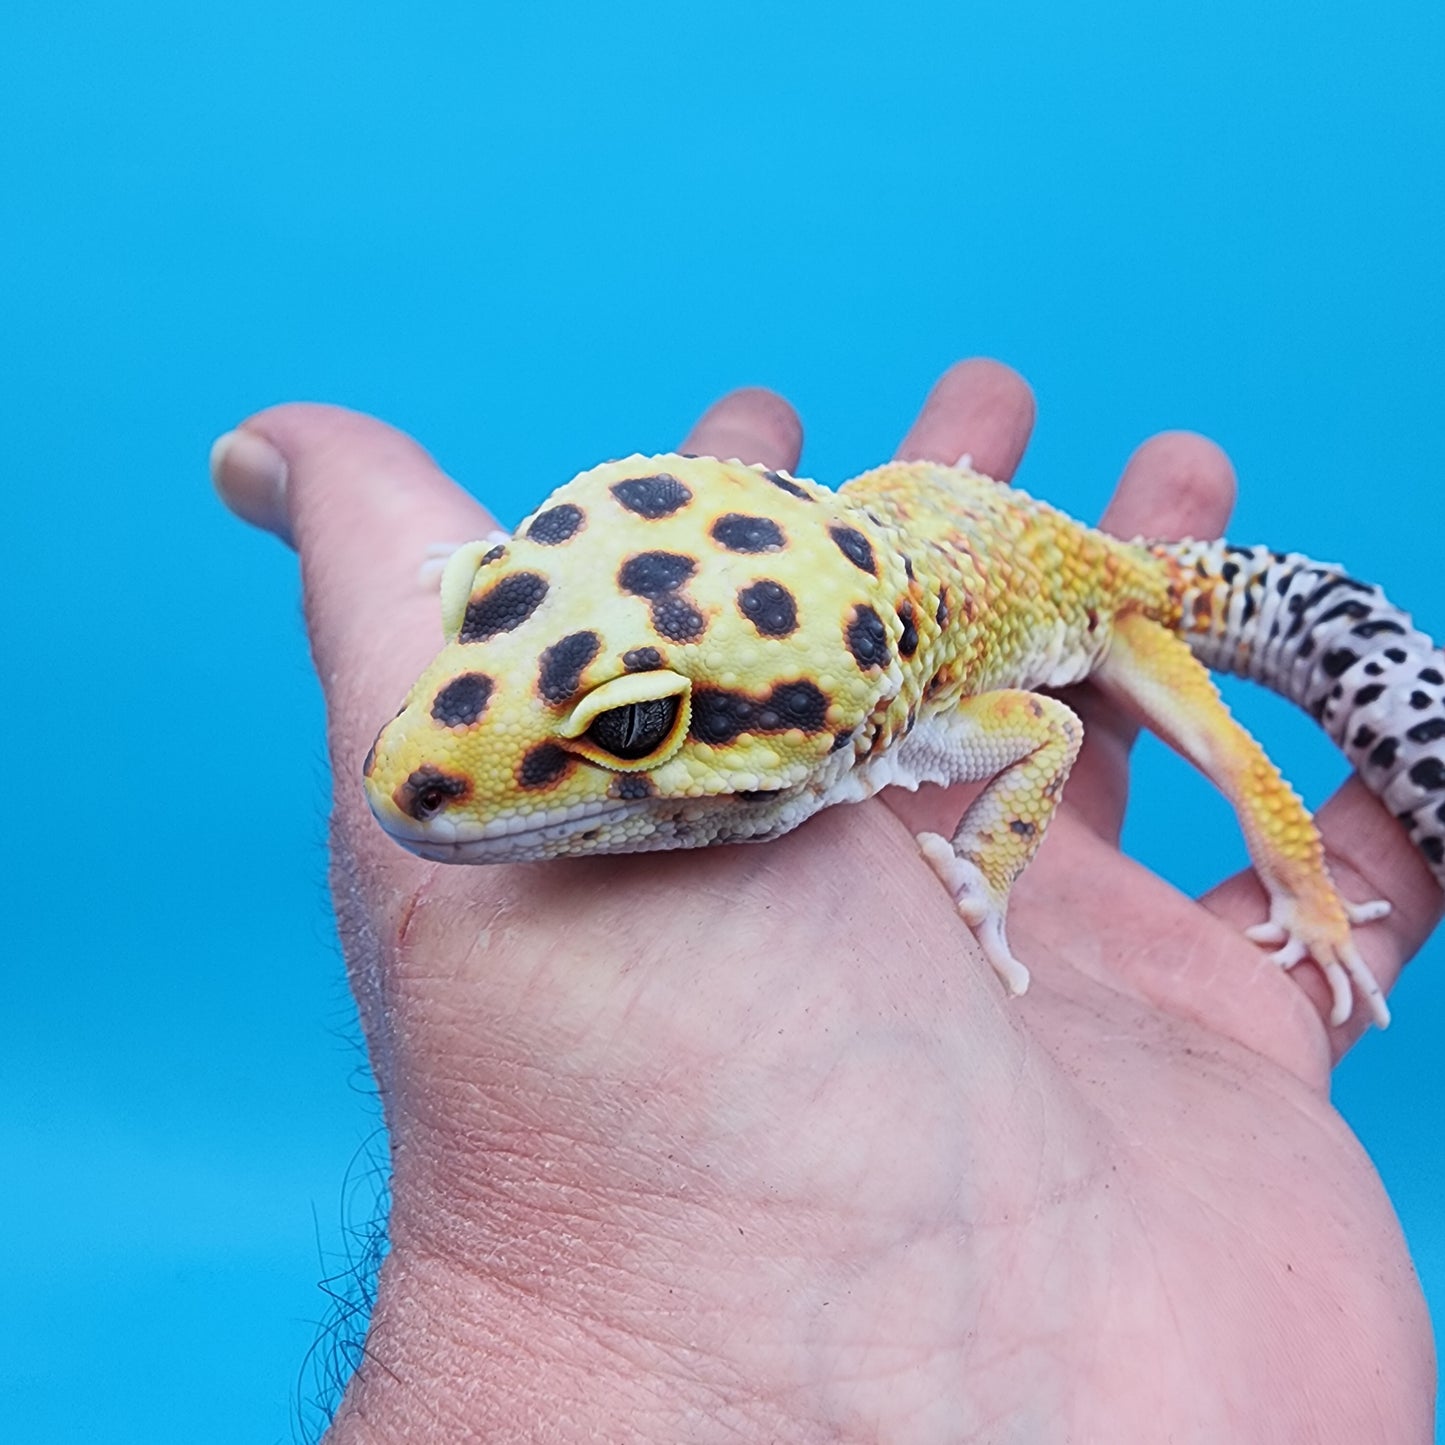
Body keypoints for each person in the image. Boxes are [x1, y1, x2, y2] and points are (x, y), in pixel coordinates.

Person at [213, 360, 1439, 1442]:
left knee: (1217, 746)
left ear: (848, 714)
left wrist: (992, 868)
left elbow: (1047, 729)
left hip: (1086, 585)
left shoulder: (944, 712)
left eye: (629, 730)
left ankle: (1318, 891)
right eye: (484, 602)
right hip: (892, 540)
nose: (422, 769)